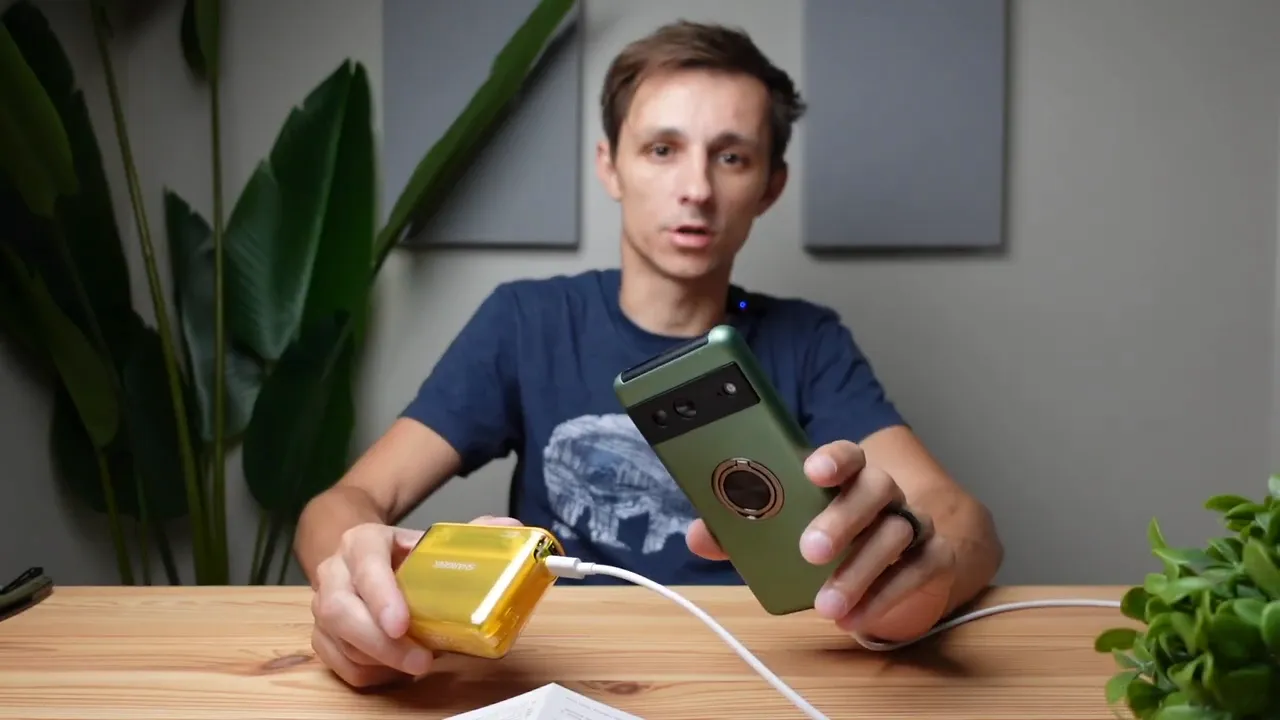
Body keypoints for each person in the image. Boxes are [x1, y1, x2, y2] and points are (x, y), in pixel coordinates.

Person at [294, 19, 1005, 689]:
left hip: (764, 669)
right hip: (569, 670)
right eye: (662, 149)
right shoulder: (526, 320)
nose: (695, 189)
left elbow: (962, 518)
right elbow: (347, 502)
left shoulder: (808, 340)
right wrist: (361, 585)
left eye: (731, 156)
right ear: (611, 166)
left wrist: (928, 573)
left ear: (770, 186)